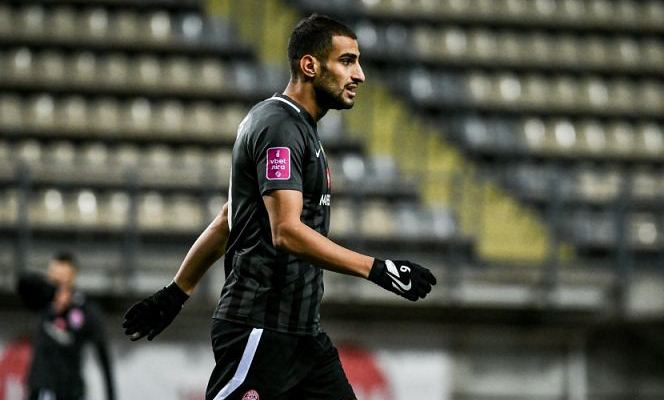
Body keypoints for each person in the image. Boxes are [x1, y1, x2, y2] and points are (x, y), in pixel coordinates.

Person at [122, 14, 437, 400]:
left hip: (303, 337)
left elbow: (230, 219)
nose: (360, 75)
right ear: (310, 65)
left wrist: (176, 292)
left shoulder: (299, 127)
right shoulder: (279, 127)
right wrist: (377, 269)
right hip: (261, 330)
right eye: (347, 61)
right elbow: (285, 231)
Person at [16, 251, 116, 400]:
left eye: (62, 276)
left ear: (72, 276)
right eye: (53, 274)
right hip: (41, 387)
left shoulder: (85, 309)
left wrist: (111, 395)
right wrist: (48, 289)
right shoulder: (43, 301)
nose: (57, 280)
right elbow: (22, 283)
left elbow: (103, 355)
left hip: (70, 389)